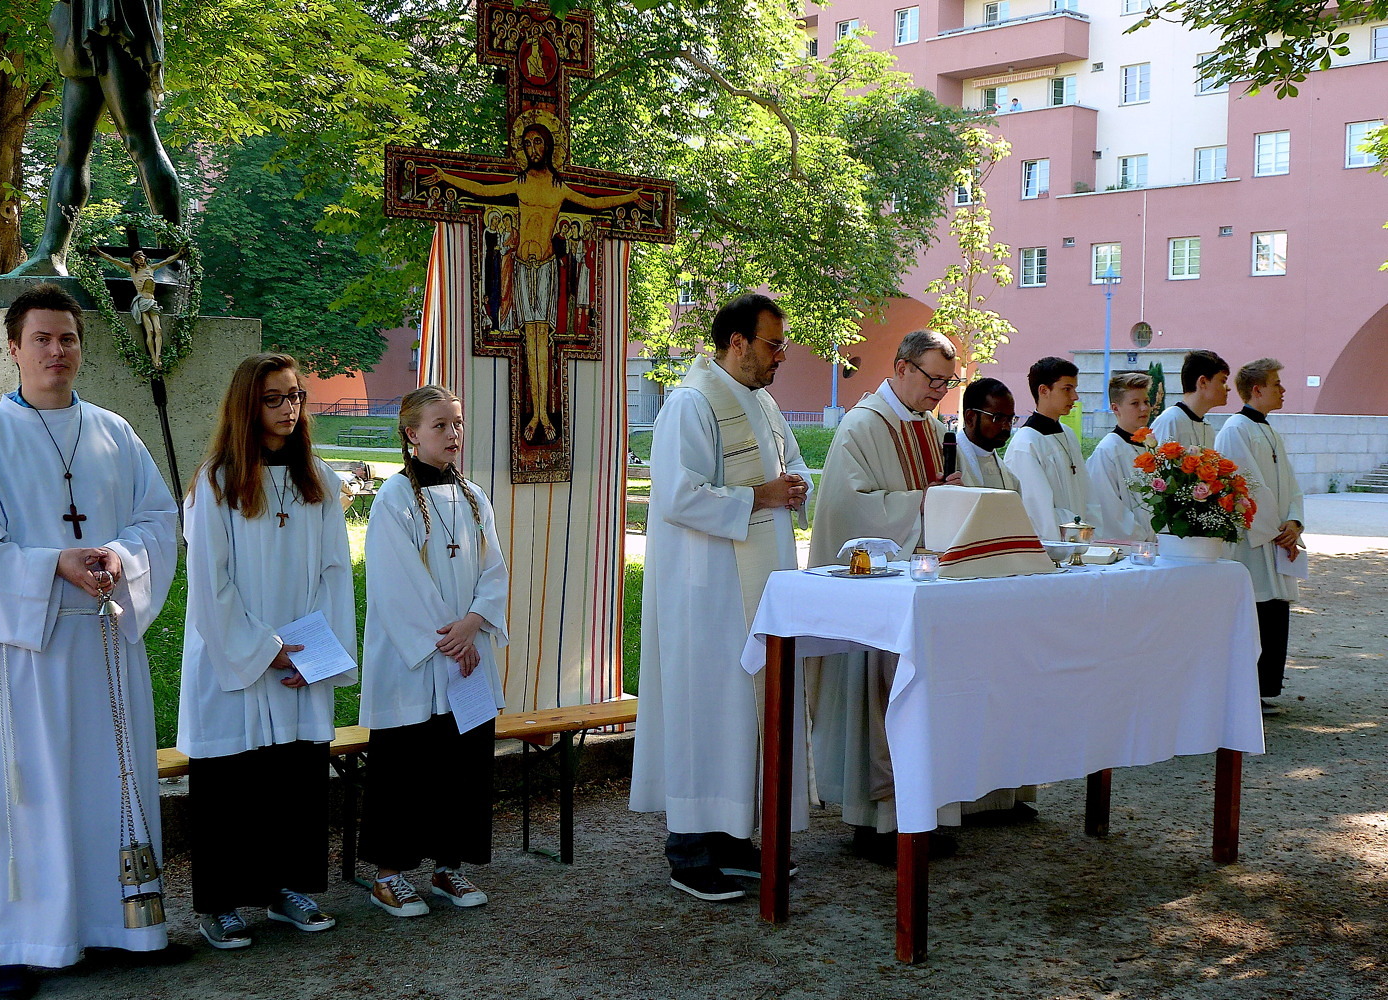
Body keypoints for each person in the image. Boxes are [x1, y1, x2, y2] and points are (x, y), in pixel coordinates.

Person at [0, 284, 178, 999]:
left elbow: (158, 521)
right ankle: (17, 943)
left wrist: (119, 557)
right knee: (27, 795)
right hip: (28, 651)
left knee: (109, 789)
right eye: (41, 338)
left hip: (104, 644)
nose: (56, 350)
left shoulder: (114, 433)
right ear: (14, 348)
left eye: (67, 338)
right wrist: (50, 565)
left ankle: (119, 926)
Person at [629, 292, 811, 902]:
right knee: (702, 713)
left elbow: (791, 466)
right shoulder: (691, 403)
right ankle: (689, 853)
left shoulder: (761, 402)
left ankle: (733, 838)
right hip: (704, 594)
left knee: (741, 715)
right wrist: (762, 496)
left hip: (755, 590)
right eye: (772, 344)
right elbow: (676, 496)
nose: (780, 356)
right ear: (737, 342)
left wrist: (793, 486)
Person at [178, 354, 356, 950]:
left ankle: (288, 888)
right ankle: (222, 902)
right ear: (246, 405)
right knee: (231, 782)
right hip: (233, 656)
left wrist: (315, 653)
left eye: (295, 396)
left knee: (294, 778)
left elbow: (336, 573)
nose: (289, 408)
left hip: (300, 657)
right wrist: (264, 648)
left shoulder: (318, 479)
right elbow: (210, 581)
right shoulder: (217, 482)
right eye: (274, 398)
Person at [809, 331, 1010, 856]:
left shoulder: (931, 427)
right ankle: (876, 823)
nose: (940, 392)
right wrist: (924, 501)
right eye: (933, 379)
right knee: (880, 703)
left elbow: (947, 500)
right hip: (879, 596)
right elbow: (848, 509)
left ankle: (921, 816)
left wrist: (950, 501)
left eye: (948, 382)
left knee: (926, 699)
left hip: (925, 593)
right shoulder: (861, 426)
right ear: (901, 367)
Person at [359, 386, 510, 916]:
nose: (453, 434)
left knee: (461, 763)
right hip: (417, 660)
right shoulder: (394, 498)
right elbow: (394, 581)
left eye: (457, 424)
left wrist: (474, 623)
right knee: (405, 763)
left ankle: (449, 867)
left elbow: (495, 569)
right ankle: (389, 875)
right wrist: (450, 638)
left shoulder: (474, 497)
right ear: (411, 434)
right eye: (440, 425)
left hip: (466, 650)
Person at [430, 124, 649, 443]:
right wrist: (446, 177)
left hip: (546, 268)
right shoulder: (519, 183)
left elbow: (594, 202)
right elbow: (481, 190)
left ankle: (542, 413)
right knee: (528, 338)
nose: (533, 149)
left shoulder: (559, 188)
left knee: (541, 339)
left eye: (538, 142)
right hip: (521, 267)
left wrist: (630, 197)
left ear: (548, 146)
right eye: (528, 143)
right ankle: (535, 413)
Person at [9, 2, 181, 278]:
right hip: (79, 18)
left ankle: (172, 261)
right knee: (69, 148)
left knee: (139, 140)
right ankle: (50, 255)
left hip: (117, 13)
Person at [1216, 359, 1304, 717]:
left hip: (1276, 537)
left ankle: (1265, 687)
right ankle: (1245, 690)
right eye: (1276, 384)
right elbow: (1246, 486)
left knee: (1274, 611)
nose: (1282, 390)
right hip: (1251, 543)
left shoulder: (1269, 431)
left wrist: (1294, 522)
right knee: (1255, 612)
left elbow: (1291, 483)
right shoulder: (1234, 430)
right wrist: (1276, 530)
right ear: (1257, 389)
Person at [1004, 356, 1100, 540]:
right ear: (1044, 390)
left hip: (1080, 542)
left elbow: (1088, 495)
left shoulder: (1068, 435)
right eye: (1067, 389)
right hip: (1052, 545)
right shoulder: (1026, 443)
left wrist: (1089, 537)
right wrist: (1070, 539)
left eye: (1075, 389)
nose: (1075, 397)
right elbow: (1036, 511)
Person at [87, 248, 188, 367]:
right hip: (142, 302)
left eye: (140, 258)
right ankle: (153, 358)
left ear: (144, 257)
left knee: (158, 330)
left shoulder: (151, 268)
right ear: (134, 261)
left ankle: (158, 357)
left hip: (152, 301)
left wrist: (179, 254)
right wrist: (98, 252)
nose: (139, 260)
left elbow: (167, 261)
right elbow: (113, 260)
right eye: (136, 259)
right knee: (150, 331)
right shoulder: (132, 269)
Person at [1086, 371, 1156, 541]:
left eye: (1146, 401)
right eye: (1135, 403)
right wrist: (1145, 539)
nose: (1144, 408)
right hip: (1130, 546)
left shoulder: (1152, 447)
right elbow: (1108, 509)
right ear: (1115, 408)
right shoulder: (1108, 451)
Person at [1149, 350, 1229, 449]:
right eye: (1223, 381)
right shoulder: (1170, 421)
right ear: (1203, 382)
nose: (1228, 388)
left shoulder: (1208, 428)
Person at [956, 377, 1020, 491]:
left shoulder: (1010, 478)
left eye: (1010, 419)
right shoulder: (948, 462)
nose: (1006, 427)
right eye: (998, 418)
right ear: (970, 417)